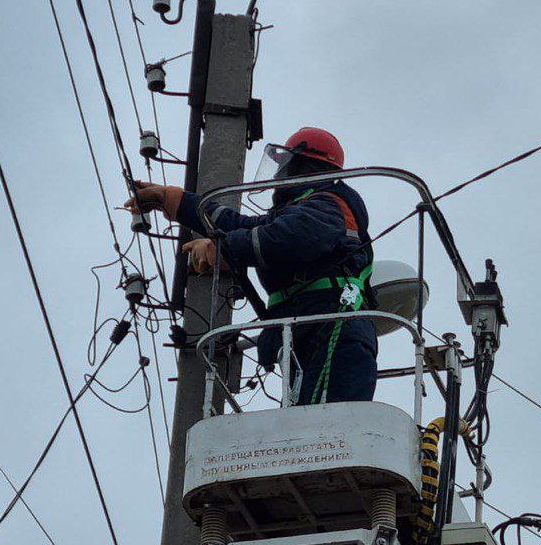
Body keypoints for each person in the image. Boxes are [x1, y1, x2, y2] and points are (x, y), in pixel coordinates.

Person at [125, 126, 378, 405]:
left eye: (286, 166)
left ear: (303, 166)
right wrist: (176, 201)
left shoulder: (328, 203)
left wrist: (225, 249)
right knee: (309, 426)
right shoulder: (303, 209)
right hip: (314, 329)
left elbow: (287, 238)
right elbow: (242, 226)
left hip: (333, 328)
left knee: (325, 429)